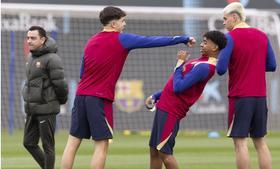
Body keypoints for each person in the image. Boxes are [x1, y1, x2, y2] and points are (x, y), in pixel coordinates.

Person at [60, 6, 196, 169]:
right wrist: (182, 38)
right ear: (113, 24)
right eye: (123, 21)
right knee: (101, 145)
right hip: (99, 99)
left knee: (72, 142)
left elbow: (83, 73)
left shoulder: (91, 41)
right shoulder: (122, 39)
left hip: (81, 96)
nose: (124, 24)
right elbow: (152, 41)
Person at [145, 30, 227, 169]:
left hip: (172, 110)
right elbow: (173, 85)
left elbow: (178, 87)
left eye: (205, 42)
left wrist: (179, 63)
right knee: (154, 150)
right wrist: (156, 96)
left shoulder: (206, 67)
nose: (201, 45)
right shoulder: (200, 61)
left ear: (215, 47)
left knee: (165, 153)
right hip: (164, 106)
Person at [216, 2, 277, 169]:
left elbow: (220, 69)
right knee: (261, 143)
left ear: (235, 18)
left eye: (225, 19)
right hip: (260, 97)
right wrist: (252, 65)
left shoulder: (230, 38)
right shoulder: (262, 35)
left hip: (240, 97)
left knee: (240, 144)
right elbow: (272, 65)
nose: (223, 22)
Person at [22, 25, 68, 169]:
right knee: (28, 143)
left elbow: (60, 84)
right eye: (28, 37)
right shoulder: (30, 57)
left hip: (46, 109)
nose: (29, 41)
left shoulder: (52, 58)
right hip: (32, 109)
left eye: (33, 38)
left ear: (42, 39)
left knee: (48, 146)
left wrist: (58, 101)